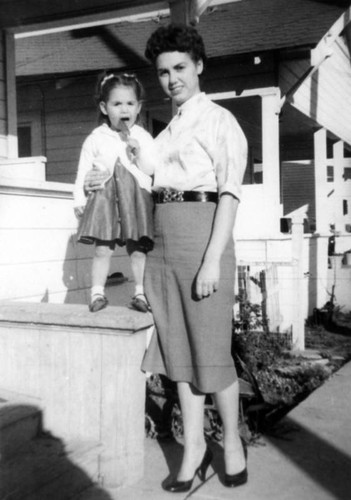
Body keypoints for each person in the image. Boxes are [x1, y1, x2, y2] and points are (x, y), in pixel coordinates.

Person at [84, 24, 248, 493]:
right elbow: (150, 180)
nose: (172, 78)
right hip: (163, 238)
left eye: (180, 68)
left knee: (211, 348)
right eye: (163, 72)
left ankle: (231, 444)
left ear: (198, 66)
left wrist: (213, 259)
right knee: (177, 349)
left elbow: (230, 193)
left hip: (202, 235)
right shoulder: (166, 128)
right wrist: (121, 167)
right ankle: (193, 448)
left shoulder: (219, 120)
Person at [73, 72, 156, 313]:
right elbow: (83, 171)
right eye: (116, 104)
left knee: (138, 248)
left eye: (130, 103)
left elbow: (150, 169)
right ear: (104, 107)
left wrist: (138, 152)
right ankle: (97, 293)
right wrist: (79, 199)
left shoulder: (143, 136)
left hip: (135, 198)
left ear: (138, 107)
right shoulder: (96, 138)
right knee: (102, 249)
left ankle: (140, 293)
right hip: (106, 198)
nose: (124, 110)